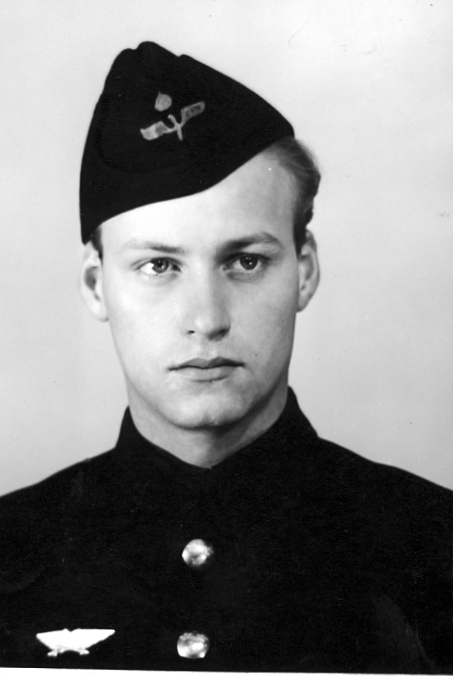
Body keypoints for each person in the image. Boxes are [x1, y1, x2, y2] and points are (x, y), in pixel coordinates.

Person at [0, 41, 451, 672]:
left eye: (246, 261)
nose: (206, 319)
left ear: (304, 272)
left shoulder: (434, 549)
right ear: (97, 286)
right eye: (159, 266)